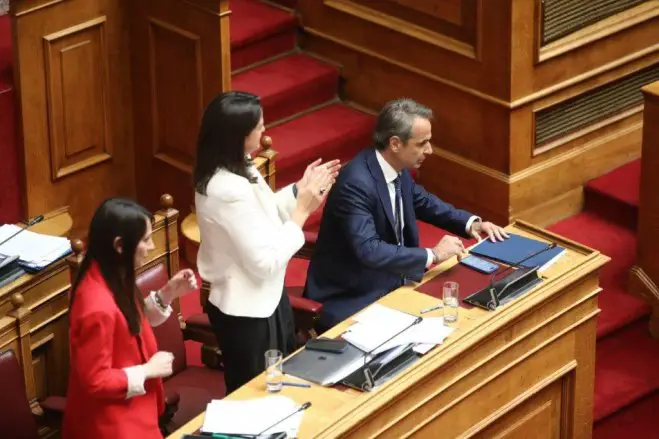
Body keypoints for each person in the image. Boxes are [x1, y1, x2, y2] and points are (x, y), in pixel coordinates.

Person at [304, 98, 509, 329]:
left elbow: (424, 202)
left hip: (394, 281)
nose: (430, 150)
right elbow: (369, 249)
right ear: (395, 143)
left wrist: (471, 224)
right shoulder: (356, 183)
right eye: (422, 143)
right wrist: (433, 255)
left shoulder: (395, 168)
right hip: (354, 295)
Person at [193, 91, 339, 394]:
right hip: (247, 313)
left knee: (283, 383)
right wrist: (302, 211)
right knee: (256, 396)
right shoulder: (224, 190)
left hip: (270, 300)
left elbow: (264, 211)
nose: (264, 132)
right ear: (237, 135)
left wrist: (300, 190)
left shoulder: (240, 164)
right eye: (258, 127)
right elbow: (265, 263)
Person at [62, 198, 198, 439]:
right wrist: (147, 371)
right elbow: (95, 379)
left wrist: (166, 294)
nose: (152, 246)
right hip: (111, 426)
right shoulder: (96, 305)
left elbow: (125, 326)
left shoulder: (108, 272)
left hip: (134, 413)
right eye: (145, 240)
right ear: (120, 245)